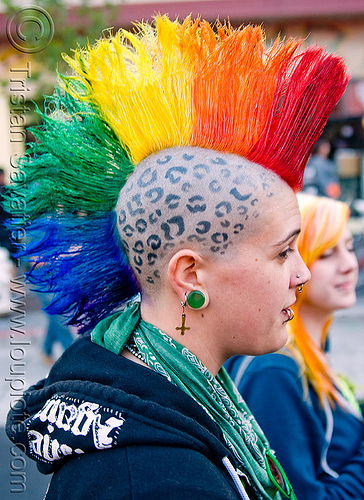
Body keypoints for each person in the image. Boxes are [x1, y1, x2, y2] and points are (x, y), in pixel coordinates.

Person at [5, 16, 348, 499]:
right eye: (283, 251)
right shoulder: (149, 479)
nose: (302, 272)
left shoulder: (154, 400)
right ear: (189, 274)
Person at [226, 193, 364, 499]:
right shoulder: (273, 370)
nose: (349, 265)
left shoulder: (312, 349)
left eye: (350, 248)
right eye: (326, 254)